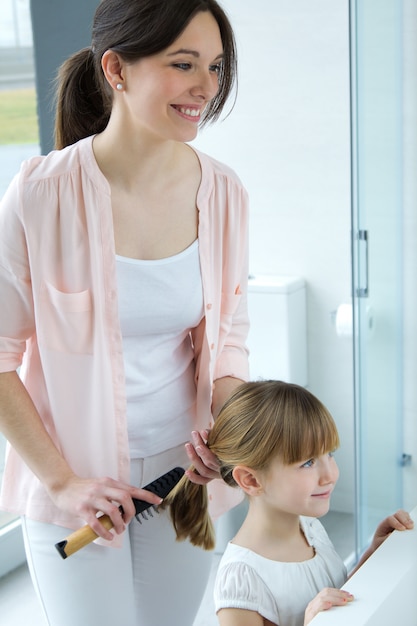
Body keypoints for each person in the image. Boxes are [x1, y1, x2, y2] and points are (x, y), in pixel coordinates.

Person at [0, 1, 250, 624]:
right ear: (117, 69)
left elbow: (228, 338)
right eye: (184, 64)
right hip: (77, 490)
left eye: (216, 67)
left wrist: (232, 424)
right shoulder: (41, 193)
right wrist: (61, 483)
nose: (206, 87)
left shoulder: (223, 193)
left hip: (184, 481)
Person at [165, 380, 414, 626]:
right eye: (307, 463)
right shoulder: (242, 580)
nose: (330, 475)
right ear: (251, 479)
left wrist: (373, 554)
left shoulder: (310, 529)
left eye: (330, 455)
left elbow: (337, 598)